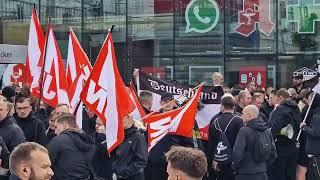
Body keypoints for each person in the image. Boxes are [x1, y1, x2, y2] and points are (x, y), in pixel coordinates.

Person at [147, 92, 194, 180]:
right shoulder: (153, 118)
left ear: (174, 102)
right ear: (161, 103)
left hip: (175, 163)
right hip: (156, 163)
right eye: (165, 101)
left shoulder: (181, 118)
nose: (168, 103)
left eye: (170, 101)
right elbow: (147, 140)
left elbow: (188, 141)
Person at [232, 105, 277, 180]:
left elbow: (237, 153)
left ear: (249, 116)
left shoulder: (244, 131)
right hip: (262, 173)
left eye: (243, 114)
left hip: (245, 174)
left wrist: (234, 167)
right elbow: (273, 154)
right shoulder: (266, 131)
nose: (241, 116)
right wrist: (264, 166)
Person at [47, 113, 95, 180]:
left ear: (64, 126)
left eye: (56, 127)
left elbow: (47, 162)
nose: (55, 132)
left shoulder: (58, 140)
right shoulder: (87, 140)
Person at [208, 94, 243, 180]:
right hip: (234, 161)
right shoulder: (239, 121)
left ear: (222, 106)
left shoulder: (215, 122)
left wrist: (213, 159)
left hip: (219, 160)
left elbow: (211, 144)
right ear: (234, 106)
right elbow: (241, 143)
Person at [268, 88, 301, 180]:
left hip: (281, 147)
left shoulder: (280, 110)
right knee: (291, 174)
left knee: (279, 174)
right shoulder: (296, 108)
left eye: (277, 99)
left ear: (281, 97)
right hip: (293, 146)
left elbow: (274, 128)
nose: (277, 101)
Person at [111, 114, 148, 180]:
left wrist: (124, 171)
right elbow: (114, 155)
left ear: (130, 118)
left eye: (121, 118)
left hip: (134, 177)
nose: (119, 120)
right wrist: (115, 170)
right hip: (119, 176)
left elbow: (142, 161)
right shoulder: (118, 136)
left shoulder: (138, 137)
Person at [298, 92, 320, 180]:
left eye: (310, 100)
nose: (308, 103)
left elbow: (316, 133)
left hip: (316, 153)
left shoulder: (317, 116)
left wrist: (304, 127)